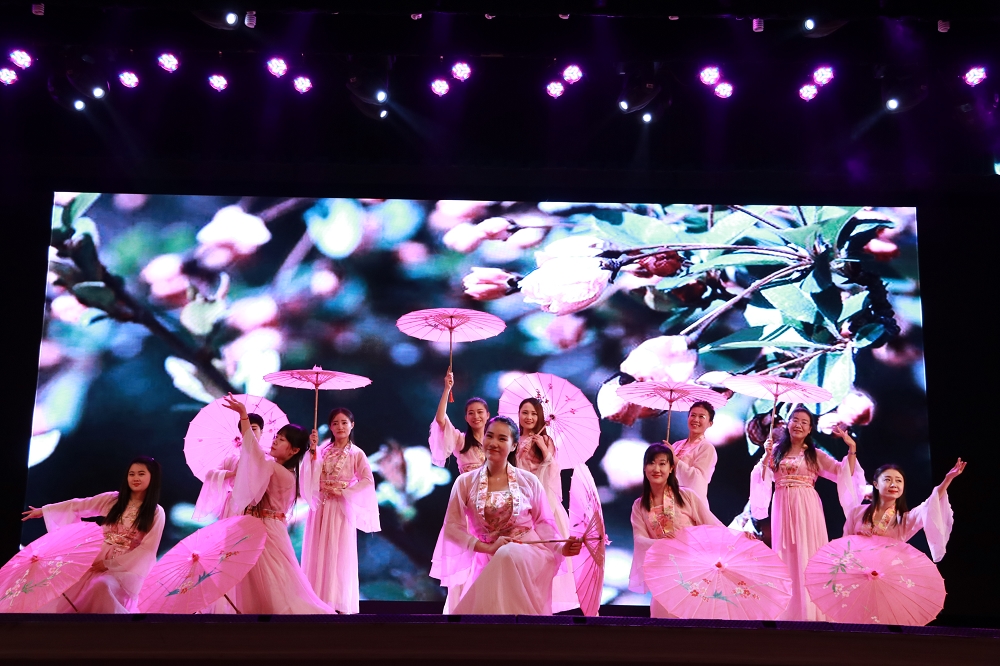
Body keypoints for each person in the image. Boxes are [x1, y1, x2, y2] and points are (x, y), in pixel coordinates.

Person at [430, 415, 582, 614]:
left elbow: (544, 524)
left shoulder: (529, 481)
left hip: (528, 555)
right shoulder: (465, 483)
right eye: (489, 436)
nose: (493, 443)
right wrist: (487, 547)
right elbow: (453, 528)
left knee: (507, 554)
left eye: (502, 439)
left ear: (513, 446)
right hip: (487, 556)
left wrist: (562, 548)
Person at [221, 394, 332, 614]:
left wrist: (244, 417)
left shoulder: (277, 470)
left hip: (266, 529)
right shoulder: (283, 471)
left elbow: (253, 452)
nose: (274, 441)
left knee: (273, 580)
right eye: (276, 437)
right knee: (268, 579)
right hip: (266, 526)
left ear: (294, 450)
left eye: (281, 440)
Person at [749, 407, 863, 621]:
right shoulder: (776, 451)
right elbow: (760, 477)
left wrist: (852, 449)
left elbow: (842, 472)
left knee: (808, 552)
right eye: (795, 420)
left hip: (807, 507)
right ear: (788, 424)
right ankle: (789, 613)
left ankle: (811, 613)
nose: (798, 425)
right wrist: (765, 455)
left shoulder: (814, 454)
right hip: (782, 507)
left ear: (810, 429)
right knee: (785, 555)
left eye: (804, 422)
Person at [21, 456, 165, 613]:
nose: (135, 478)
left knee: (102, 585)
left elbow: (147, 550)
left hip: (125, 567)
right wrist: (44, 510)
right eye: (132, 474)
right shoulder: (113, 499)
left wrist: (110, 564)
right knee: (69, 586)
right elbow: (79, 505)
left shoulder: (156, 512)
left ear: (152, 477)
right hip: (96, 556)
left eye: (141, 474)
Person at [628, 444, 724, 618]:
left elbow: (714, 527)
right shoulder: (639, 505)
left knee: (693, 624)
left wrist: (742, 537)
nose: (657, 469)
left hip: (694, 572)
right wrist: (664, 543)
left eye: (662, 464)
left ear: (671, 468)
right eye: (651, 463)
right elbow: (639, 540)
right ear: (644, 467)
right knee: (662, 622)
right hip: (663, 574)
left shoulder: (687, 496)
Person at [300, 407, 380, 614]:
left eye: (344, 422)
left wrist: (345, 491)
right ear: (330, 427)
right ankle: (315, 600)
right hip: (320, 507)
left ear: (352, 425)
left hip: (340, 508)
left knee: (338, 553)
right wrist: (311, 452)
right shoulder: (322, 450)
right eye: (335, 423)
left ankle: (337, 602)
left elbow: (367, 480)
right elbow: (309, 474)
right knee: (317, 550)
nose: (340, 427)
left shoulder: (357, 453)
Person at [838, 439, 965, 562]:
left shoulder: (905, 519)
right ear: (876, 484)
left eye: (899, 481)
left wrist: (948, 479)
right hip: (856, 565)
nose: (894, 484)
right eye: (887, 480)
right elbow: (845, 543)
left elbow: (930, 504)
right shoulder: (857, 512)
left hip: (886, 569)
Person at [514, 397, 577, 612]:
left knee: (547, 552)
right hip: (518, 501)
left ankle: (544, 602)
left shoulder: (546, 440)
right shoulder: (514, 439)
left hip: (543, 500)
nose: (529, 417)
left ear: (539, 416)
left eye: (533, 413)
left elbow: (553, 470)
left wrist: (544, 450)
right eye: (525, 412)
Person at [193, 412, 264, 522]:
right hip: (234, 503)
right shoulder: (233, 458)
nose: (250, 433)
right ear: (241, 433)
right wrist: (232, 473)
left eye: (254, 429)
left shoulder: (267, 458)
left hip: (258, 504)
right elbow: (210, 474)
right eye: (246, 430)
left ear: (261, 432)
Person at [429, 371, 489, 473]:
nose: (476, 416)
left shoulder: (494, 441)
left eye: (480, 412)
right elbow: (440, 419)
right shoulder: (460, 439)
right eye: (471, 413)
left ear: (487, 415)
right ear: (466, 418)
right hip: (468, 483)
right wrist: (447, 389)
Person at [666, 401, 718, 507]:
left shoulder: (706, 448)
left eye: (701, 416)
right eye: (693, 415)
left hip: (690, 504)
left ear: (710, 423)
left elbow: (697, 478)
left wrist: (674, 459)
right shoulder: (676, 445)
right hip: (669, 500)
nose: (696, 419)